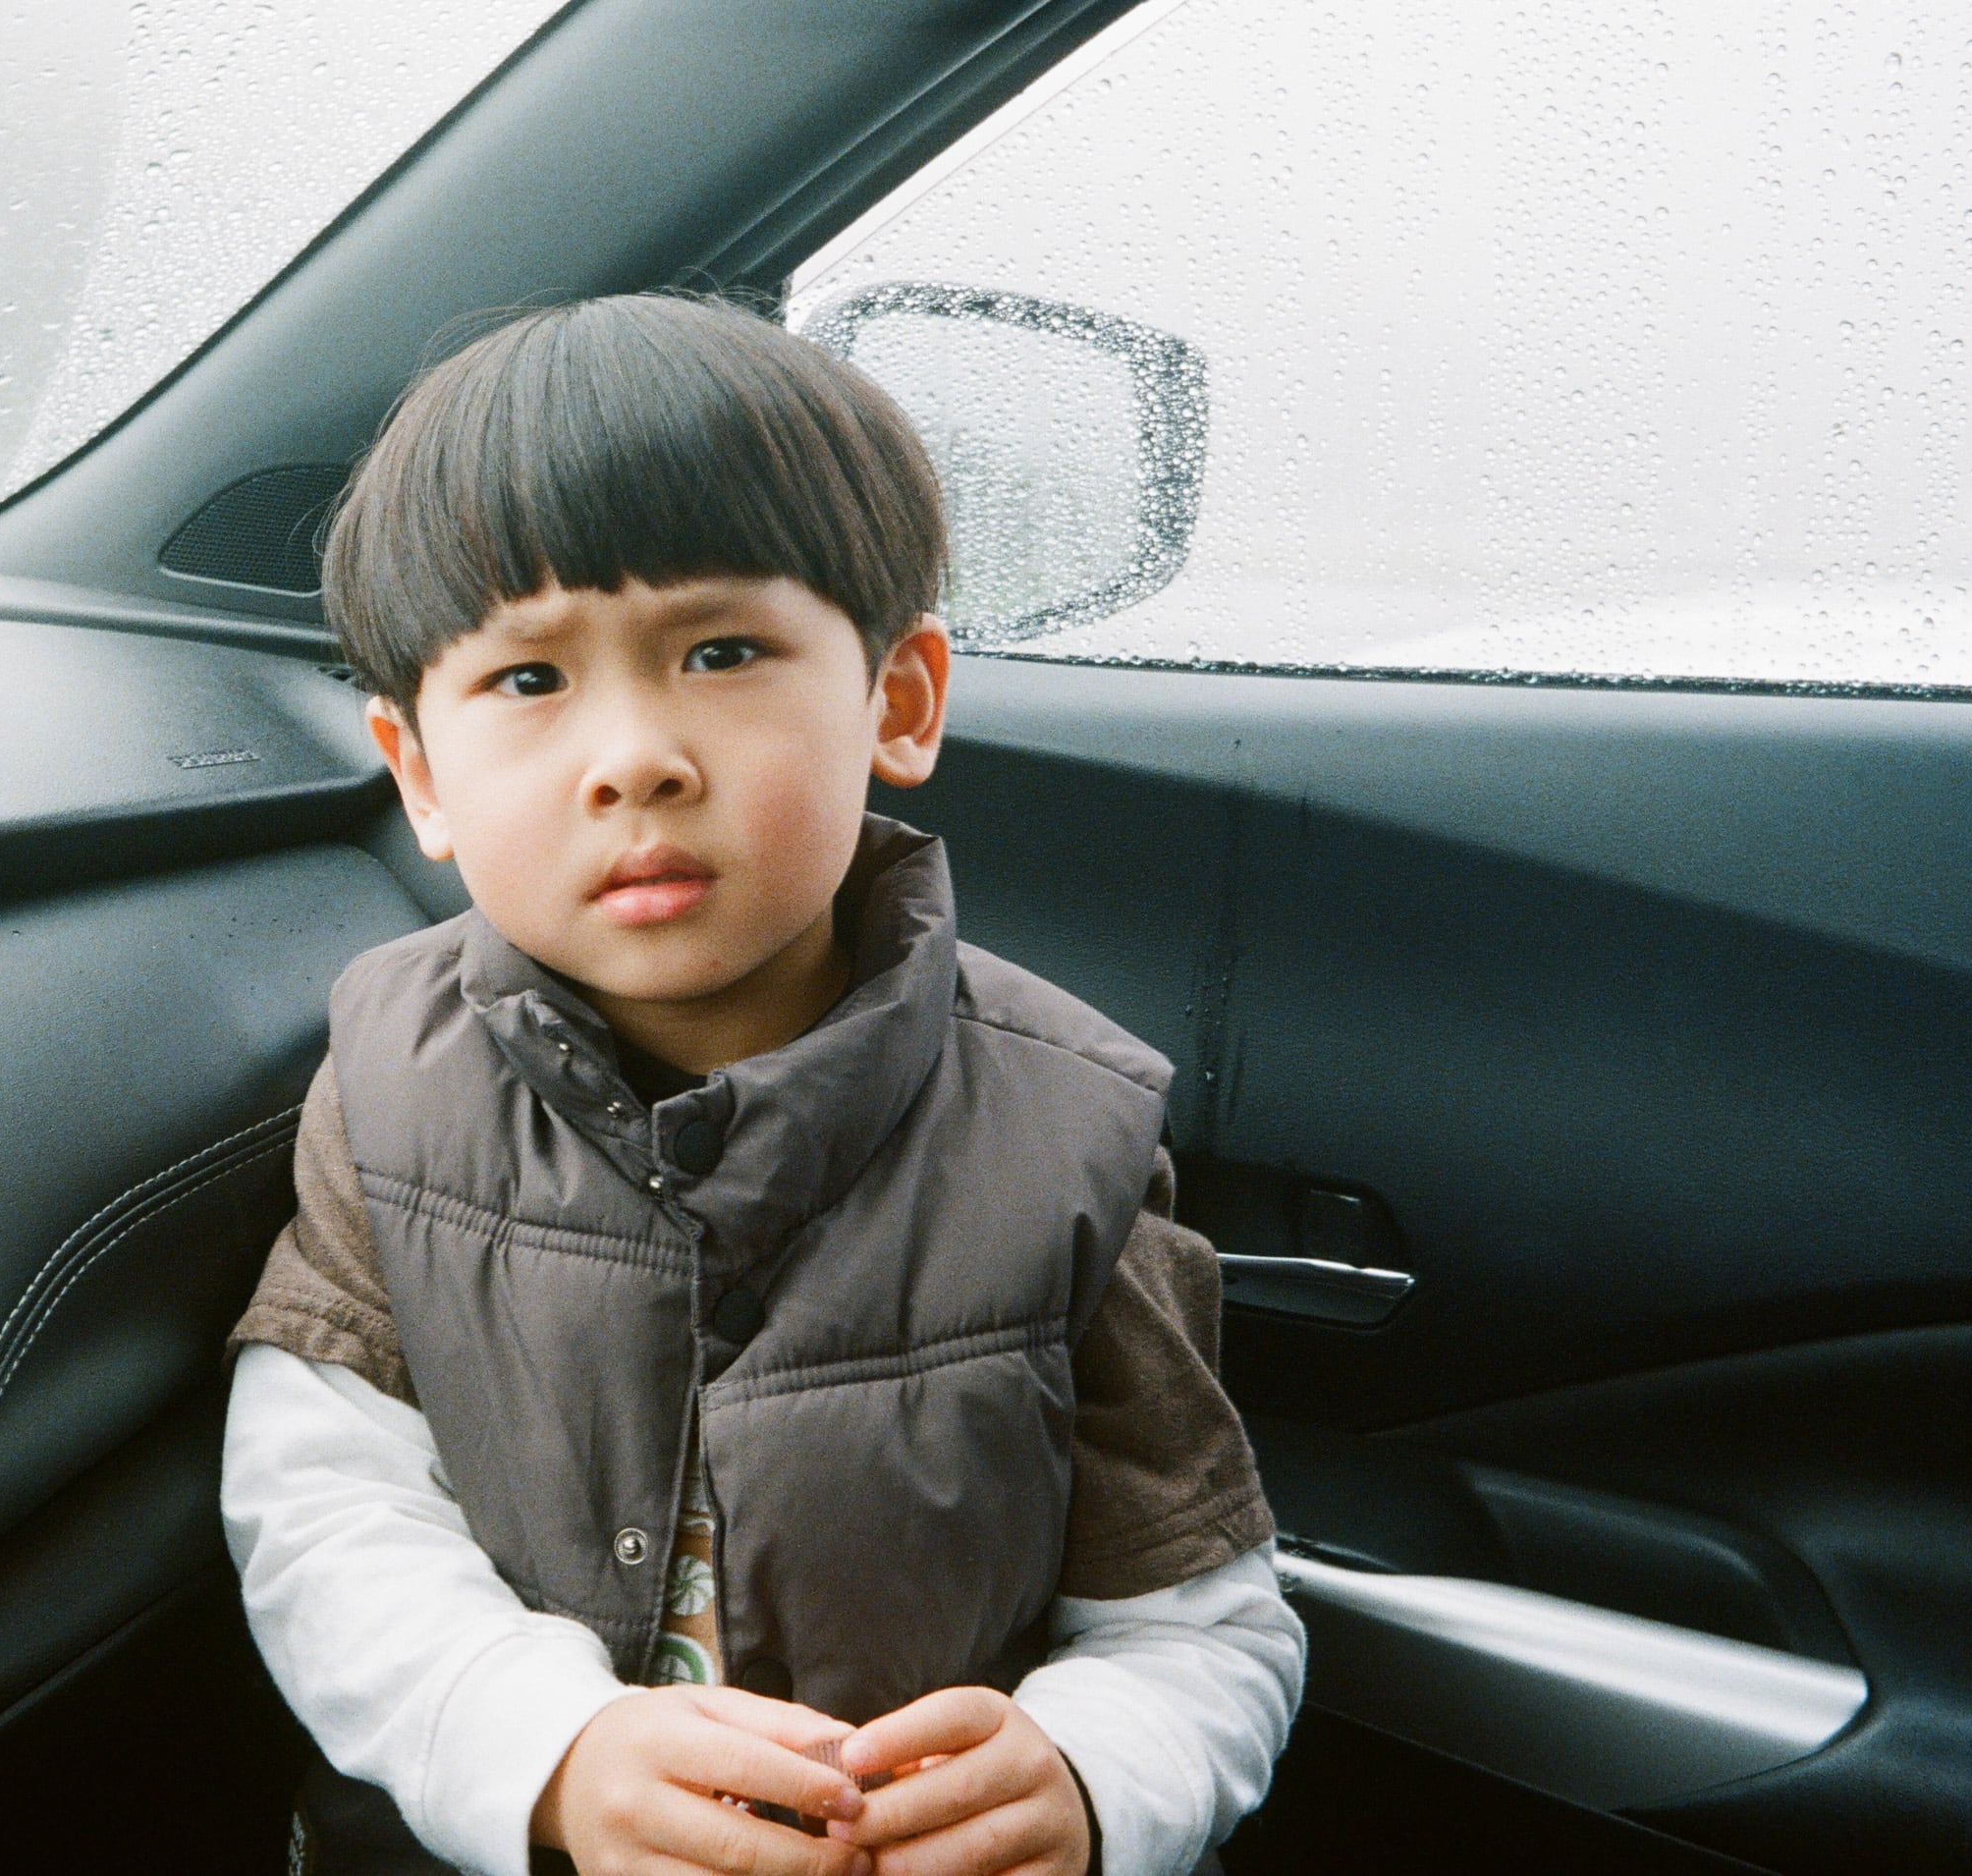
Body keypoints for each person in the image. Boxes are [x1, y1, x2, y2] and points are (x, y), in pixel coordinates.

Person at [220, 293, 1303, 1876]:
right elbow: (325, 1512)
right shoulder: (389, 1089)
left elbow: (1202, 1619)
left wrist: (1089, 1775)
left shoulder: (1068, 1131)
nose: (634, 757)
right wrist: (544, 1751)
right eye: (528, 680)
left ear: (900, 699)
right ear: (421, 774)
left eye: (721, 651)